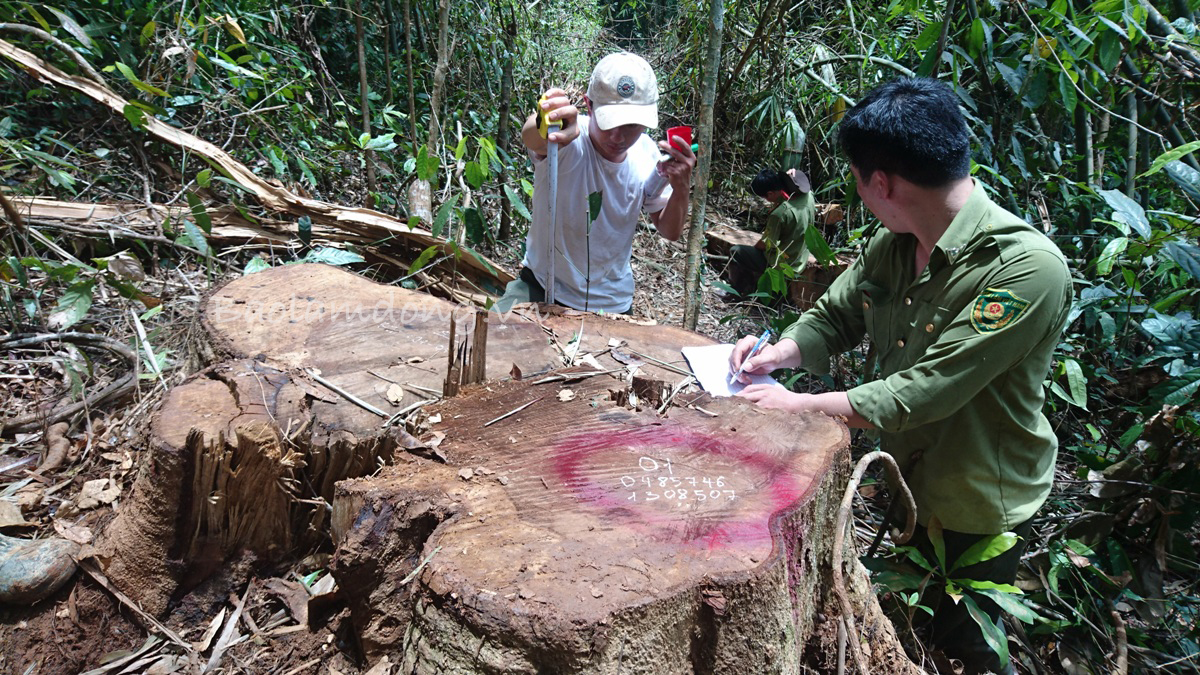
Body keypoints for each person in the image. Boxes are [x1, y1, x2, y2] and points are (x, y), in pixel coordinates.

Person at [729, 77, 1072, 674]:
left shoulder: (1027, 270)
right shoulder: (896, 243)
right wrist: (780, 353)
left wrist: (799, 407)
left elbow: (923, 392)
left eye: (859, 183)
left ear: (880, 182)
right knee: (900, 635)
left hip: (975, 508)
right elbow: (836, 314)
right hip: (905, 483)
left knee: (968, 650)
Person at [494, 52, 695, 314]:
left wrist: (681, 189)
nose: (617, 136)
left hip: (612, 303)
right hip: (543, 286)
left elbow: (670, 231)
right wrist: (547, 122)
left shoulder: (647, 154)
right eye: (609, 121)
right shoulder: (568, 137)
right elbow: (533, 137)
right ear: (589, 106)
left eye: (631, 125)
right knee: (491, 337)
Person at [726, 168, 815, 298]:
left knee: (736, 251)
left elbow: (767, 244)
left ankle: (736, 292)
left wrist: (755, 249)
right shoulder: (808, 196)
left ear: (771, 193)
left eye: (765, 197)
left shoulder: (780, 214)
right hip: (801, 256)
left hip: (783, 263)